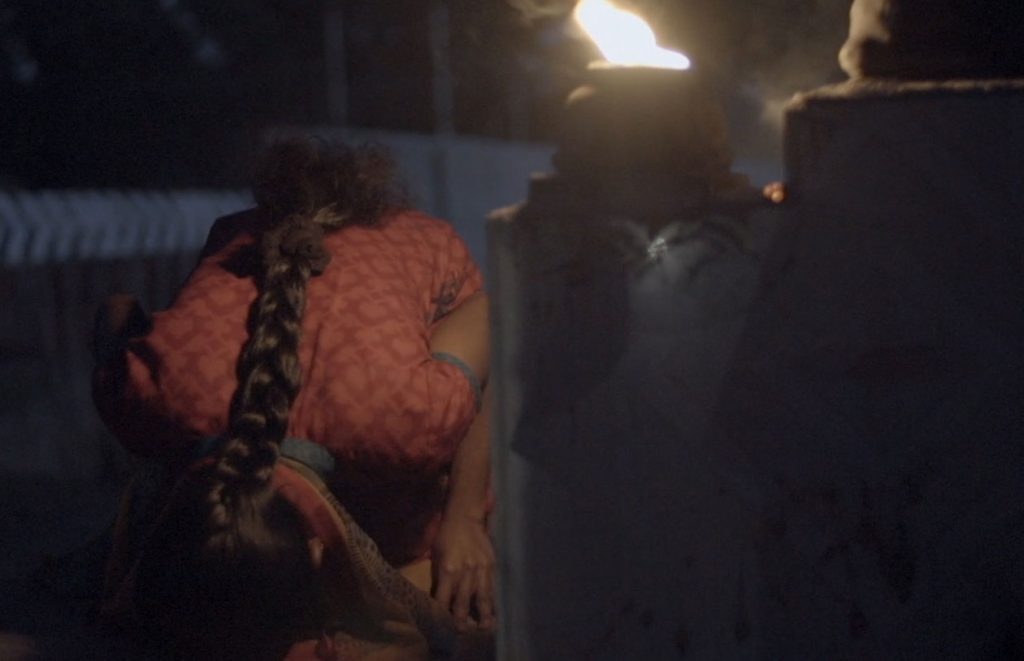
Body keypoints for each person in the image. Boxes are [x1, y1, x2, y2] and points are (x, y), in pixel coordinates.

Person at [92, 137, 495, 660]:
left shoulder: (401, 416)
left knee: (441, 569)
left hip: (394, 366)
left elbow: (495, 315)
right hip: (318, 401)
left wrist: (463, 516)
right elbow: (116, 310)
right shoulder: (145, 397)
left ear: (316, 548)